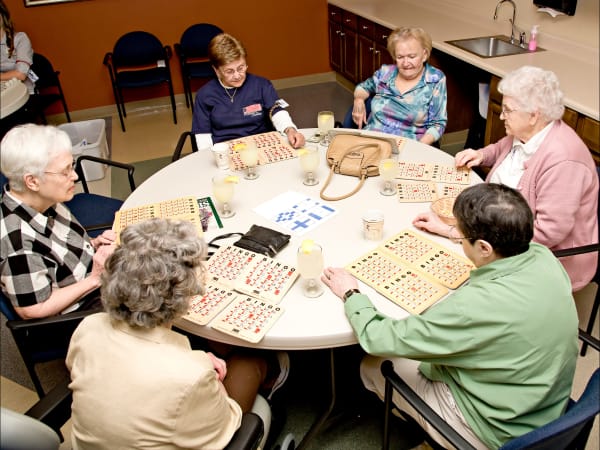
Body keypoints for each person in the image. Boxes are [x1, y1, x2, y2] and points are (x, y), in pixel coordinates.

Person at [322, 183, 578, 449]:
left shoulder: (473, 306)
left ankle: (434, 437)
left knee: (372, 365)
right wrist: (449, 232)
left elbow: (379, 338)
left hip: (496, 432)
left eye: (463, 237)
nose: (459, 238)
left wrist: (351, 293)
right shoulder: (543, 256)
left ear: (484, 247)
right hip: (545, 407)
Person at [66, 218, 284, 449]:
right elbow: (227, 424)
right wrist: (208, 378)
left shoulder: (89, 327)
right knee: (250, 362)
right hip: (207, 421)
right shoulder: (190, 375)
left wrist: (194, 362)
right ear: (182, 294)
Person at [413, 65, 598, 292]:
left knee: (447, 281)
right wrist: (482, 154)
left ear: (534, 115)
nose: (501, 116)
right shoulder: (528, 131)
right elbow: (504, 146)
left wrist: (458, 234)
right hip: (497, 232)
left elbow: (546, 233)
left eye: (508, 110)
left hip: (545, 258)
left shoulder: (564, 161)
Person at [1, 124, 115, 319]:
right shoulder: (17, 244)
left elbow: (58, 251)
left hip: (91, 276)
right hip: (82, 308)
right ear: (33, 181)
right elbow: (32, 309)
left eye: (72, 166)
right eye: (65, 171)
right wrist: (95, 278)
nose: (75, 176)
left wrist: (93, 244)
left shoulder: (44, 199)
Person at [192, 32, 305, 149]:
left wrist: (290, 129)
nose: (237, 76)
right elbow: (203, 137)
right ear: (216, 70)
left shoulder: (261, 85)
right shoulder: (204, 95)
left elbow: (277, 112)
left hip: (260, 146)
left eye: (241, 68)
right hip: (225, 150)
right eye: (229, 71)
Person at [351, 26, 447, 145]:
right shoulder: (385, 73)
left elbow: (438, 124)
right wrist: (359, 99)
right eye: (400, 57)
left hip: (410, 145)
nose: (406, 63)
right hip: (373, 139)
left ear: (424, 55)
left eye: (412, 57)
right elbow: (363, 87)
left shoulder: (434, 79)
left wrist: (419, 147)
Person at [0, 0, 33, 92]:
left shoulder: (20, 38)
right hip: (4, 91)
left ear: (3, 15)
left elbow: (21, 74)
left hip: (24, 92)